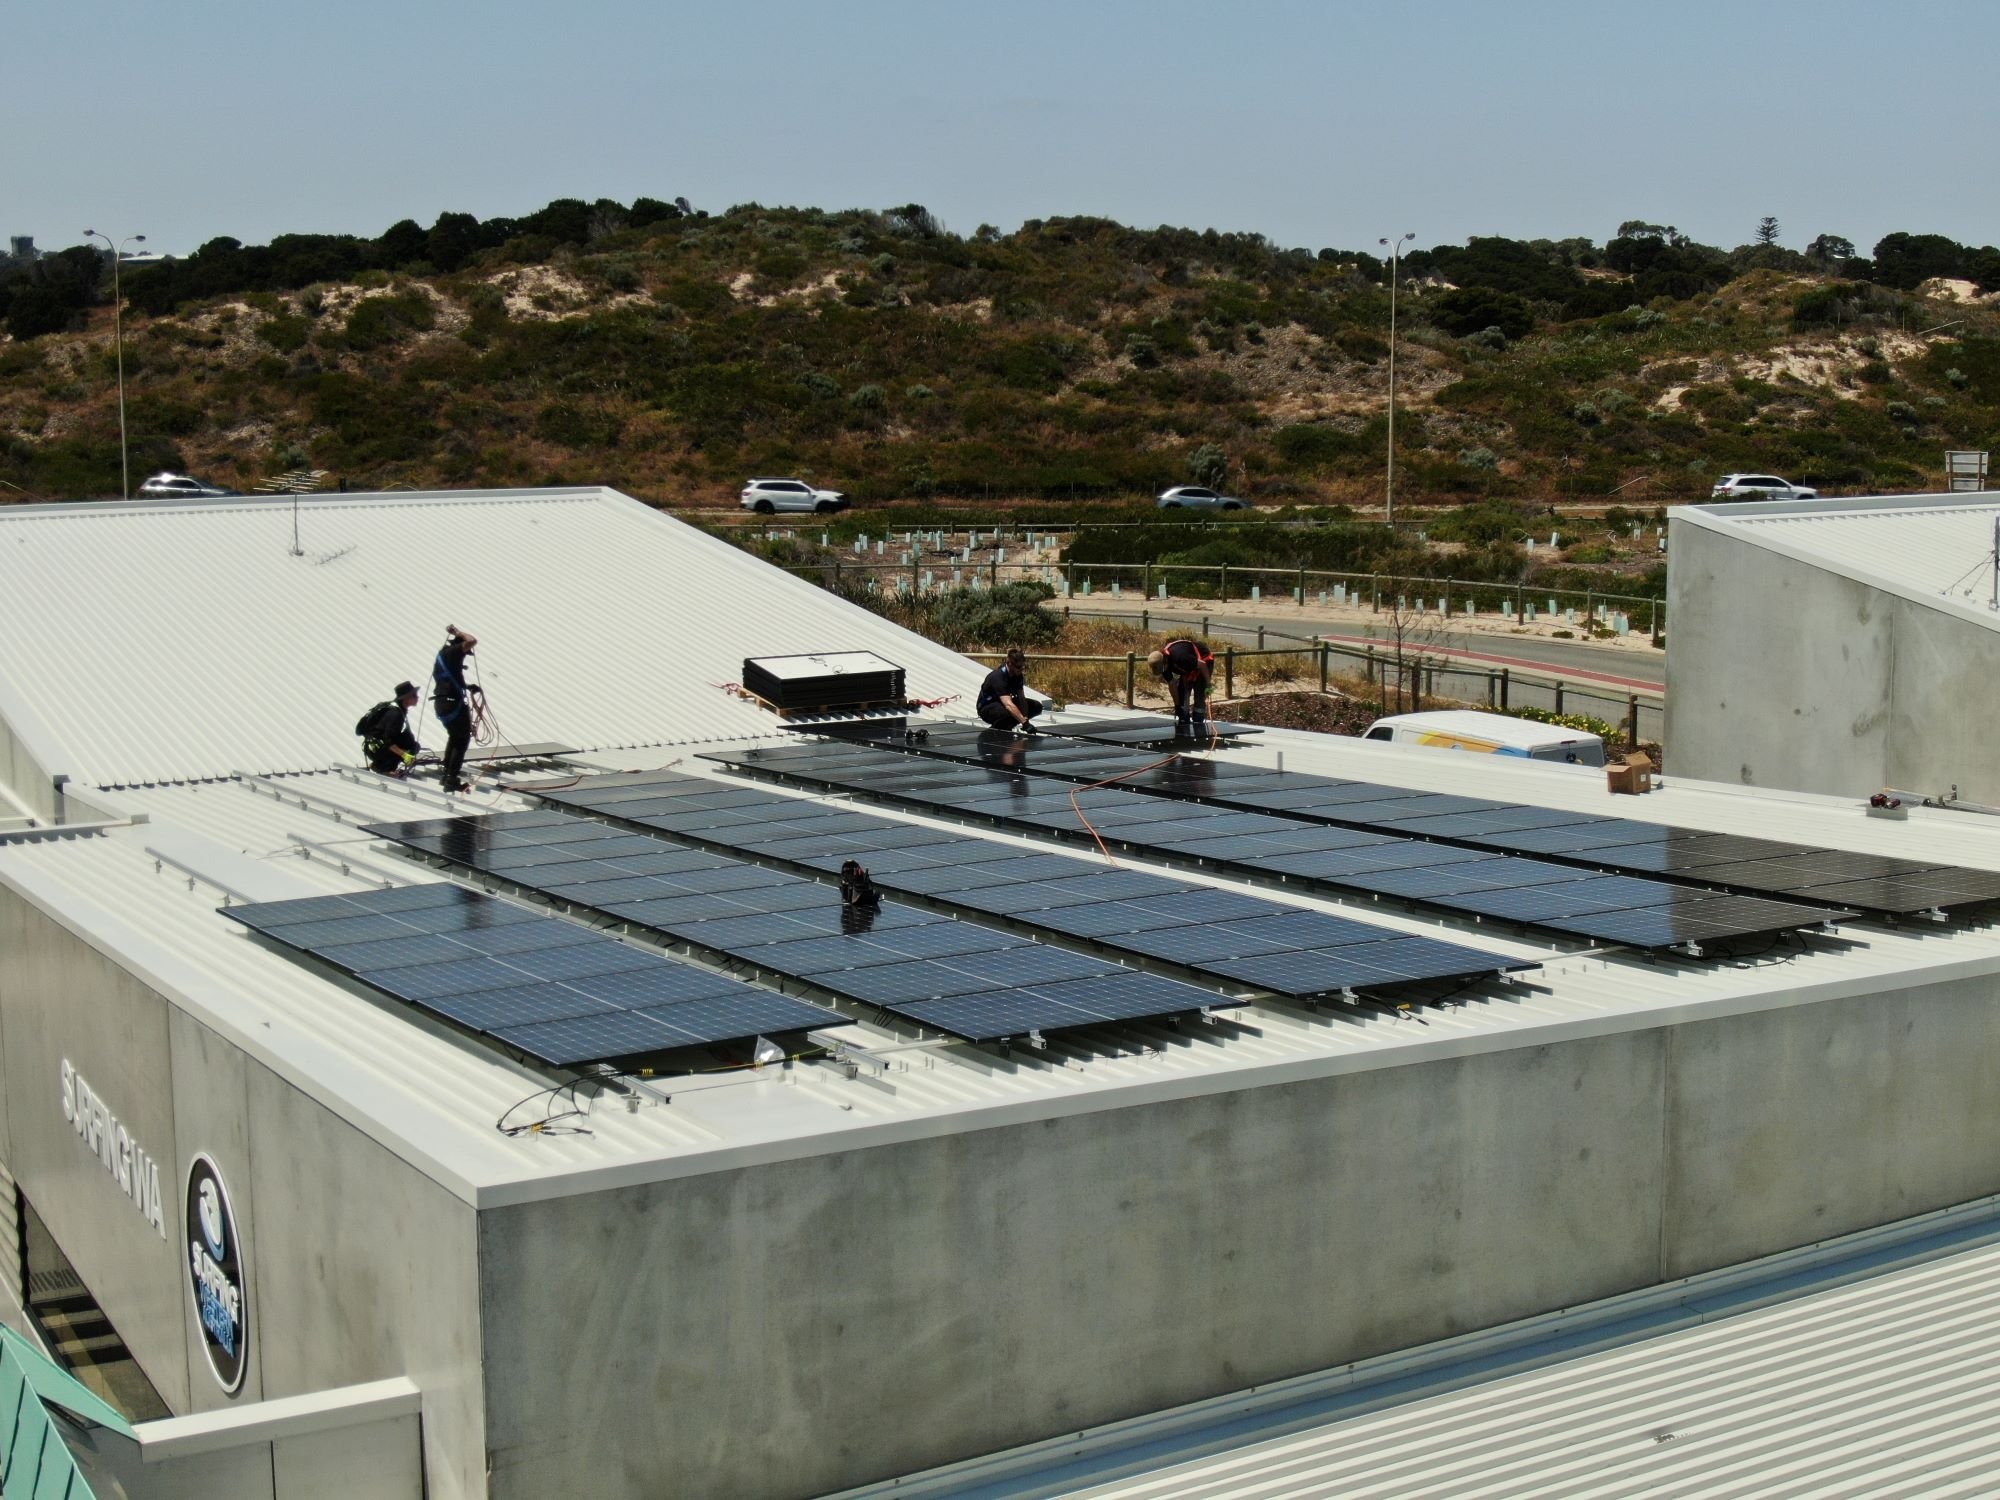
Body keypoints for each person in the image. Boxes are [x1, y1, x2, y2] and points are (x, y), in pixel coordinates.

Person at [432, 624, 482, 792]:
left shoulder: (443, 657)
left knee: (455, 737)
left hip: (442, 703)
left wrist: (467, 687)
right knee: (461, 739)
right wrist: (458, 632)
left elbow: (447, 681)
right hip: (451, 703)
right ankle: (451, 778)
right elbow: (472, 640)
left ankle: (447, 774)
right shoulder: (453, 653)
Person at [1147, 639, 1215, 737]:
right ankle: (1184, 721)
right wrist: (1177, 706)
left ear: (1165, 662)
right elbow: (1172, 685)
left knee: (1200, 693)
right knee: (1182, 695)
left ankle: (1199, 722)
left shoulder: (1180, 657)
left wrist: (1208, 684)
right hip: (1188, 667)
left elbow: (1202, 665)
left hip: (1204, 661)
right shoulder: (1163, 667)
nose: (1163, 671)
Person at [356, 682, 422, 776]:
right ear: (405, 698)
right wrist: (404, 755)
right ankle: (384, 768)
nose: (417, 697)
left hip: (374, 747)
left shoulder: (397, 709)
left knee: (409, 740)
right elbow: (388, 741)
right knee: (410, 745)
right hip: (376, 749)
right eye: (414, 695)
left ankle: (379, 765)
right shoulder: (395, 714)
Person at [976, 646, 1043, 734]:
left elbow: (1021, 698)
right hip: (987, 708)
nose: (1021, 669)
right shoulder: (998, 677)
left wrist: (1025, 718)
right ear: (1009, 663)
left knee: (1036, 706)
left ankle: (1006, 726)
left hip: (1002, 705)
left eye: (1023, 667)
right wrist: (1024, 723)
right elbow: (1008, 705)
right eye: (1018, 667)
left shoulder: (1018, 676)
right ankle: (993, 732)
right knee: (1009, 712)